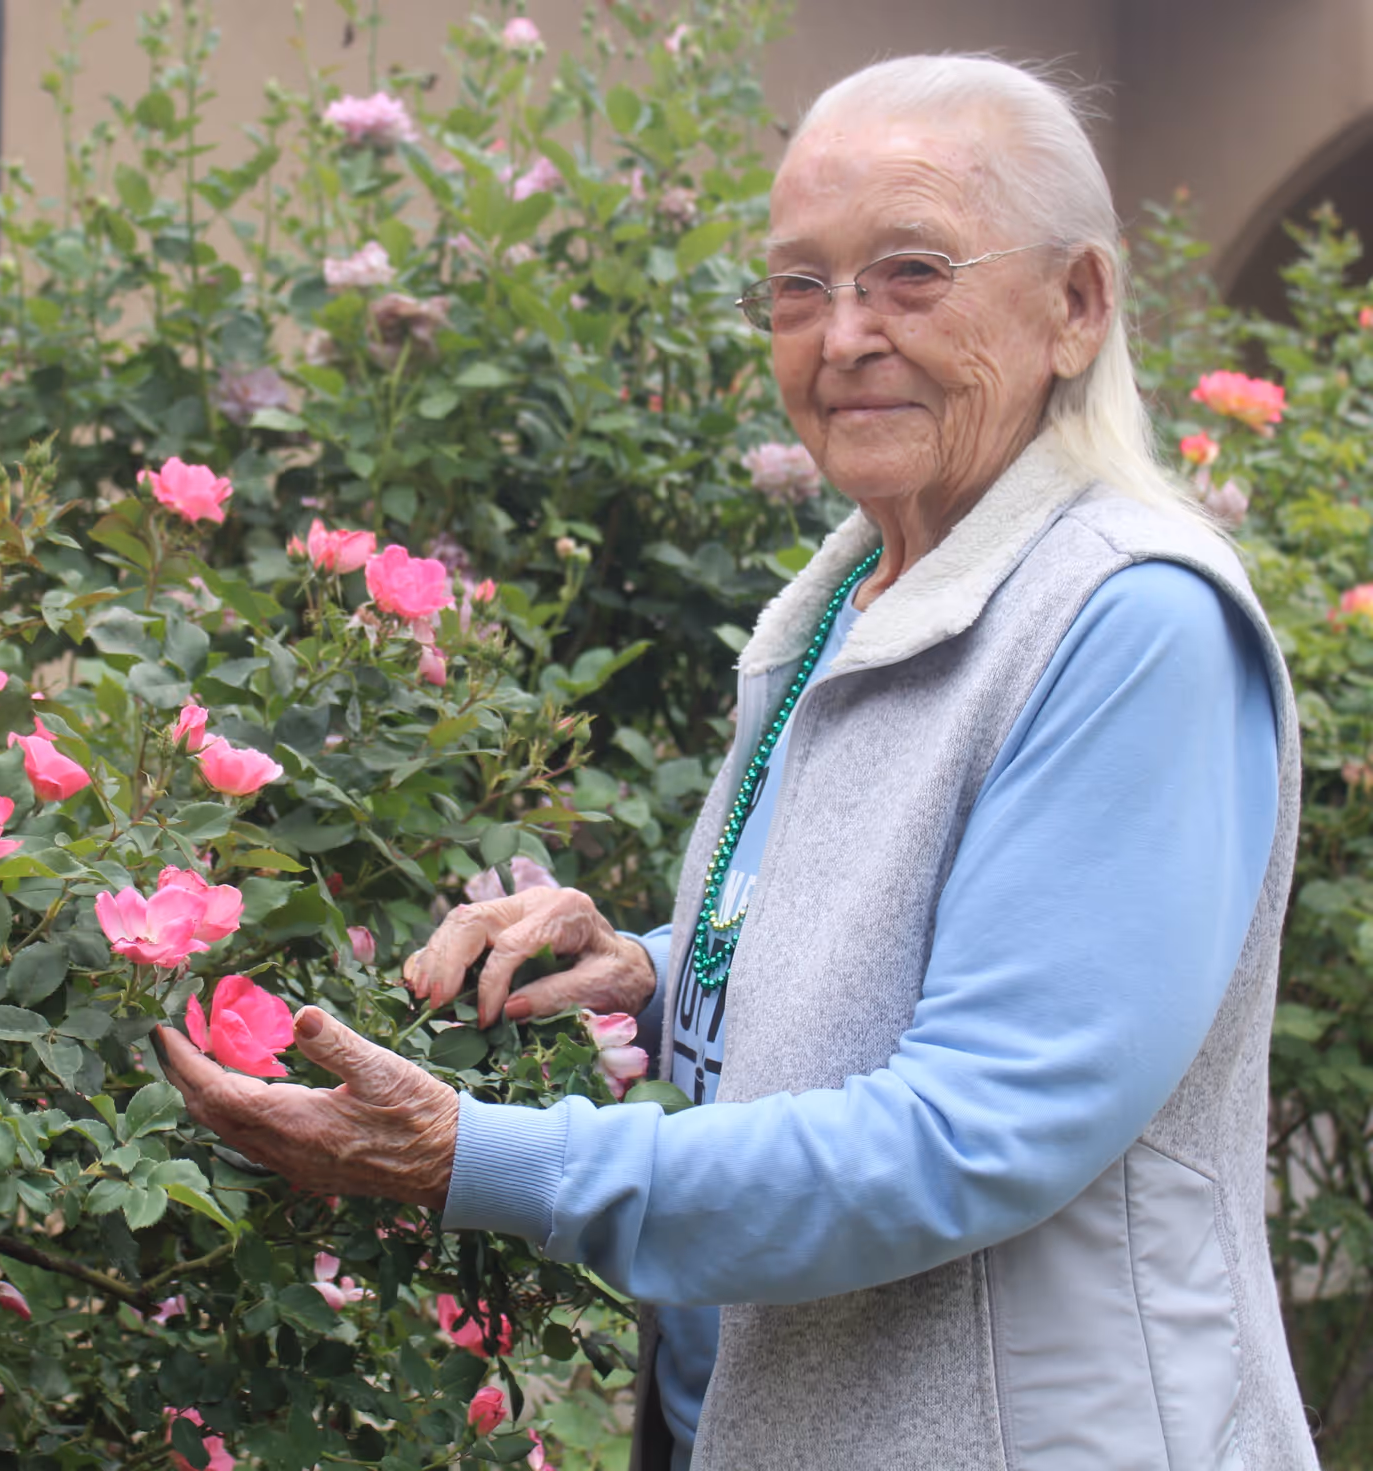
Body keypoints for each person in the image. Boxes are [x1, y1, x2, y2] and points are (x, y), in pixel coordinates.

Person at [159, 54, 1318, 1470]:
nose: (843, 337)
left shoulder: (1135, 627)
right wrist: (651, 967)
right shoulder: (852, 597)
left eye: (911, 272)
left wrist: (477, 1156)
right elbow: (892, 947)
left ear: (1076, 305)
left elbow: (973, 1130)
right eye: (797, 288)